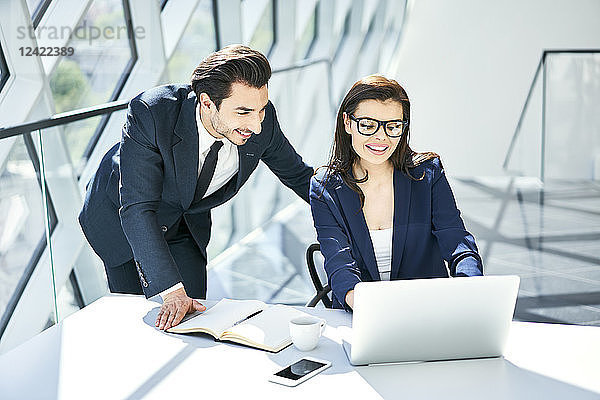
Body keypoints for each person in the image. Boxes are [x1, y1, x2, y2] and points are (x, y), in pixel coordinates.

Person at [79, 45, 313, 329]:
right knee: (135, 320)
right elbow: (138, 208)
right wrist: (171, 290)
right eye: (243, 112)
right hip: (125, 219)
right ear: (206, 102)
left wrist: (355, 208)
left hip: (186, 219)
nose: (257, 125)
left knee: (197, 316)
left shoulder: (261, 120)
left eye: (261, 110)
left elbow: (299, 176)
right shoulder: (152, 112)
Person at [309, 75, 482, 310]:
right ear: (347, 123)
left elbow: (457, 241)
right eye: (368, 125)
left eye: (393, 126)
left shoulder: (427, 174)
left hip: (427, 312)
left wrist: (470, 287)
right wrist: (368, 309)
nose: (381, 137)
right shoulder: (325, 187)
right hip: (361, 316)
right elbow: (339, 263)